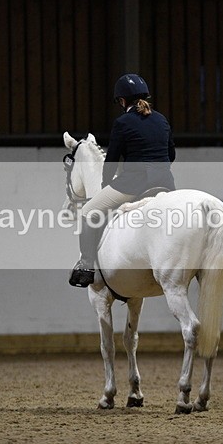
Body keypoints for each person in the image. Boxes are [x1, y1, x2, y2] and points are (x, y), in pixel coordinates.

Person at [69, 74, 176, 288]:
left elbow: (111, 160)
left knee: (89, 211)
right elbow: (171, 154)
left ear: (122, 101)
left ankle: (87, 265)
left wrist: (105, 185)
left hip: (134, 184)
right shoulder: (161, 119)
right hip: (166, 183)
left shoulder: (123, 122)